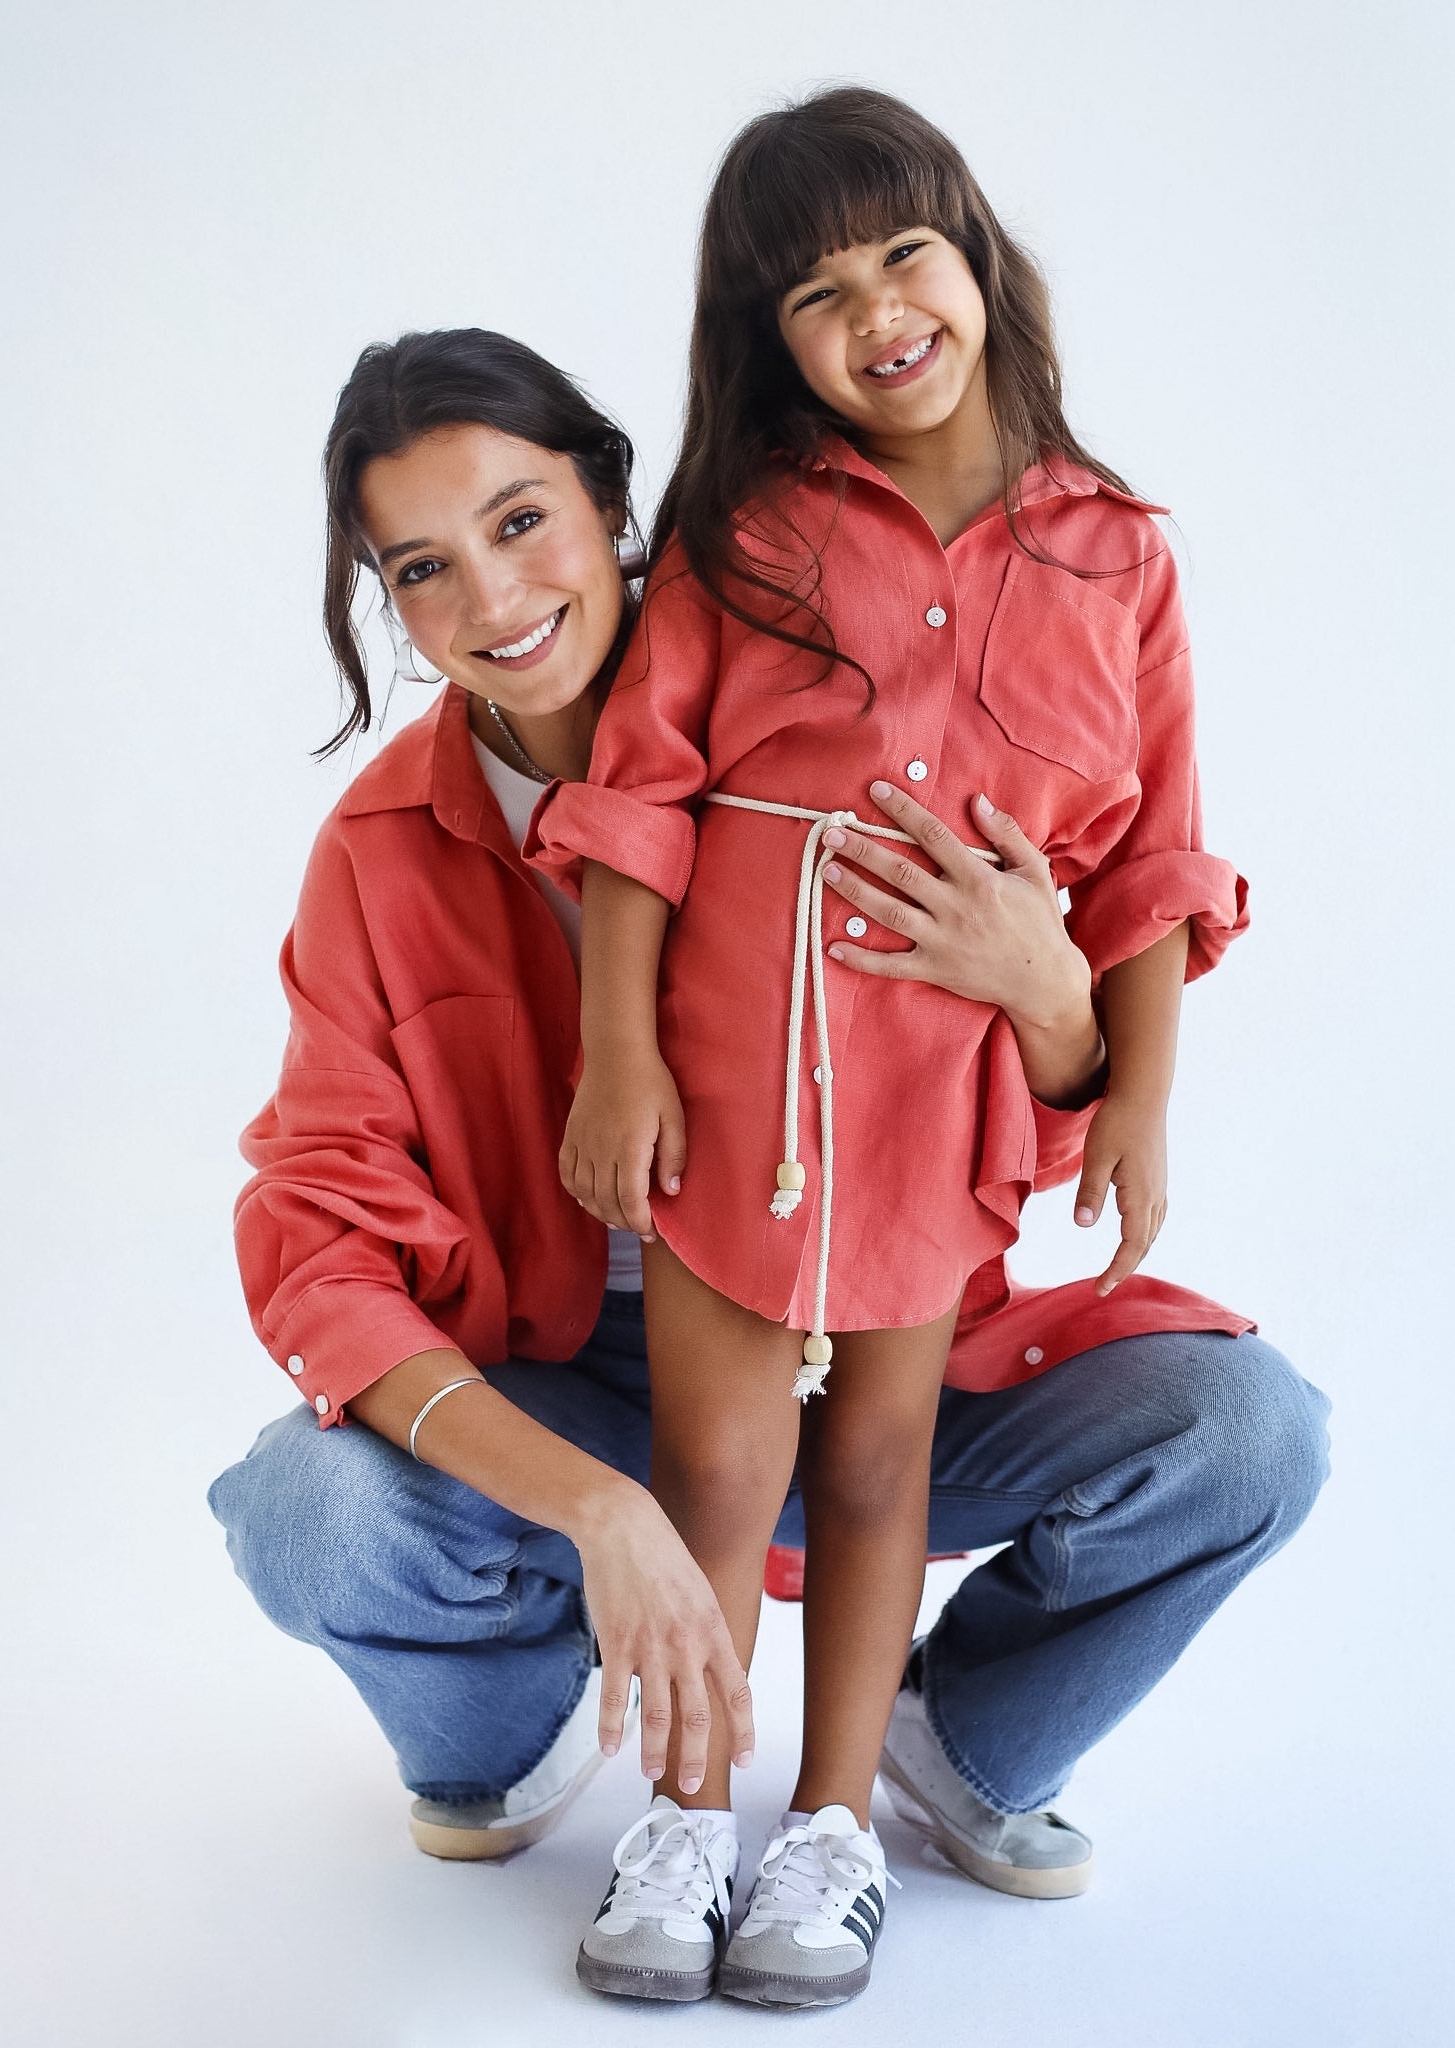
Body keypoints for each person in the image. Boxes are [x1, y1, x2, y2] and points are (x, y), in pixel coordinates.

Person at [207, 322, 1328, 2008]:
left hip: (887, 1340)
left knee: (1248, 1430)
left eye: (522, 522)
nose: (492, 601)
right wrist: (595, 1509)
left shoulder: (819, 693)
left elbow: (1013, 1132)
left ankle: (933, 1752)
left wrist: (1051, 1001)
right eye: (422, 568)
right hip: (585, 1382)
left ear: (610, 498)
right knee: (312, 1512)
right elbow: (319, 1253)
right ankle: (541, 1727)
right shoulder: (379, 854)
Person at [535, 87, 1259, 2008]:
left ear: (977, 255)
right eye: (811, 295)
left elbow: (1156, 865)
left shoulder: (1122, 556)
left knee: (876, 1470)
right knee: (716, 1468)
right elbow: (634, 805)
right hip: (737, 1085)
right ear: (765, 343)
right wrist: (622, 1060)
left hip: (947, 1101)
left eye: (900, 257)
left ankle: (833, 1829)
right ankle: (690, 1811)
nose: (873, 315)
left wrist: (1142, 1102)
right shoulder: (744, 533)